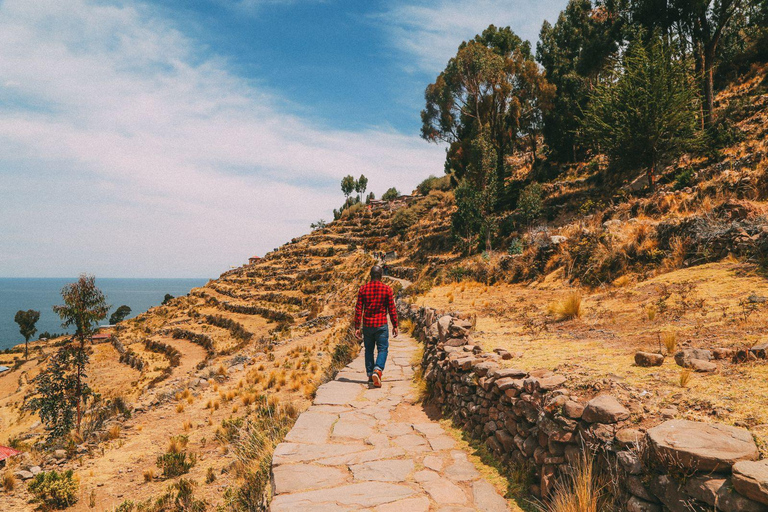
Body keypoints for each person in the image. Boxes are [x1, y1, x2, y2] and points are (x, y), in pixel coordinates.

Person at [354, 265, 398, 388]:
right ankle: (377, 370)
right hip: (381, 325)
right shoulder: (387, 289)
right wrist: (395, 325)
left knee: (368, 350)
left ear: (371, 275)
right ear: (381, 276)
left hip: (367, 325)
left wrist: (357, 326)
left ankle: (370, 376)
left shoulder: (363, 289)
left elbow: (358, 310)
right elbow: (392, 309)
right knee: (382, 349)